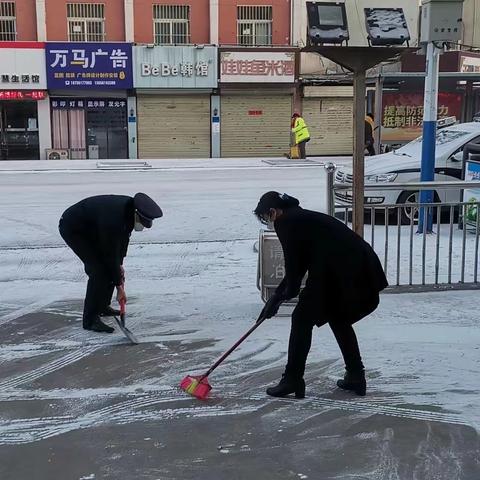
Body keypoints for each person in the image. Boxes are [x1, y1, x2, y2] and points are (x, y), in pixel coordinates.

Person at [254, 192, 388, 398]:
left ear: (273, 212)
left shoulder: (286, 222)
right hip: (359, 268)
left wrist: (277, 299)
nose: (268, 222)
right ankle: (355, 376)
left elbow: (293, 270)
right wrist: (277, 297)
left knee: (301, 319)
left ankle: (292, 379)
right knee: (338, 318)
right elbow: (298, 268)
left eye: (266, 217)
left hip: (343, 272)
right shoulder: (300, 217)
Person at [59, 193, 163, 333]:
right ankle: (90, 320)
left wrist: (120, 264)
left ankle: (102, 306)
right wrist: (119, 287)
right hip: (74, 228)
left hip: (94, 227)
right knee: (98, 271)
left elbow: (123, 240)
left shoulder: (129, 211)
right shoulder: (114, 220)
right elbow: (110, 254)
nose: (142, 226)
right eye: (142, 221)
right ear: (137, 214)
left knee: (111, 269)